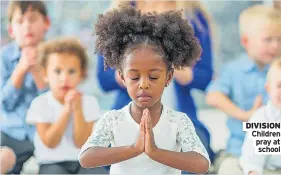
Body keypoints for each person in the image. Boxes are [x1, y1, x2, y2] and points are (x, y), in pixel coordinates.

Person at [79, 6, 210, 175]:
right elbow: (86, 158)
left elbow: (202, 164)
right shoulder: (113, 120)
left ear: (168, 77)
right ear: (123, 78)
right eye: (134, 77)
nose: (143, 84)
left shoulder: (178, 122)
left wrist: (155, 152)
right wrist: (134, 149)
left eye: (154, 77)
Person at [206, 4, 281, 173]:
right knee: (228, 169)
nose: (275, 46)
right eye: (268, 39)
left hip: (274, 156)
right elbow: (213, 96)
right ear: (246, 41)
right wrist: (245, 115)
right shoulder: (234, 70)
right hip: (238, 151)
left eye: (280, 39)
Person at [25, 38, 107, 174]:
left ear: (82, 74)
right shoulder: (40, 103)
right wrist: (66, 111)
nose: (64, 78)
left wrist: (77, 108)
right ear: (45, 74)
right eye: (57, 71)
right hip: (51, 162)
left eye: (72, 71)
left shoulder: (89, 102)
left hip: (83, 162)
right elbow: (50, 142)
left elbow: (81, 142)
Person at [0, 1, 49, 173]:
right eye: (20, 21)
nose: (27, 26)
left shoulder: (55, 56)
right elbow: (4, 104)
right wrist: (20, 70)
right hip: (10, 132)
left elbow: (55, 105)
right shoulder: (4, 57)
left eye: (33, 19)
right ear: (11, 30)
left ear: (46, 23)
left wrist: (37, 71)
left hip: (45, 134)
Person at [239, 58, 281, 175]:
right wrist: (254, 171)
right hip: (267, 169)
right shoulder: (263, 117)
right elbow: (253, 158)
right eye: (279, 85)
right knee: (229, 166)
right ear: (268, 89)